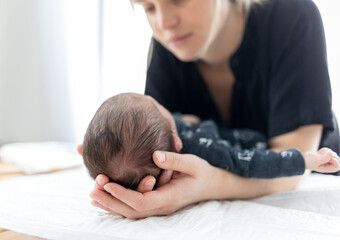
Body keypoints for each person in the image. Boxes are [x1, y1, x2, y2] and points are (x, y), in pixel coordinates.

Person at [82, 0, 340, 219]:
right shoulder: (167, 48)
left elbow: (296, 168)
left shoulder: (291, 15)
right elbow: (150, 147)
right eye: (149, 7)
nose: (164, 23)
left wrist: (208, 186)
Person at [82, 93, 340, 191]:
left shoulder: (154, 141)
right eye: (161, 108)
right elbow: (255, 163)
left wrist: (92, 158)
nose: (168, 110)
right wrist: (306, 159)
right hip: (314, 147)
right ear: (177, 145)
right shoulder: (207, 149)